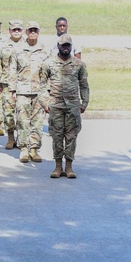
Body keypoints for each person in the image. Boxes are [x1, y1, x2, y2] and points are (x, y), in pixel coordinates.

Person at [42, 34, 90, 178]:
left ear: (71, 47)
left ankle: (69, 167)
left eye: (68, 45)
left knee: (71, 137)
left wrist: (84, 102)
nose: (66, 48)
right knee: (57, 136)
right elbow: (41, 85)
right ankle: (58, 167)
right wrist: (44, 102)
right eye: (63, 45)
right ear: (58, 46)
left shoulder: (79, 64)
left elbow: (84, 85)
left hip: (72, 105)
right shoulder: (48, 63)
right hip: (55, 105)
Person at [8, 21, 50, 163]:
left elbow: (50, 71)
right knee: (22, 120)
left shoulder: (45, 50)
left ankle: (34, 149)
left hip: (40, 91)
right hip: (22, 90)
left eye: (35, 30)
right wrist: (12, 89)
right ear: (26, 32)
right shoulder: (18, 49)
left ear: (38, 32)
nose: (33, 33)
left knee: (38, 121)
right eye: (30, 30)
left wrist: (49, 90)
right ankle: (24, 148)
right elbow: (12, 70)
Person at [0, 19, 24, 149]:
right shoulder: (3, 45)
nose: (16, 32)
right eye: (14, 30)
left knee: (22, 112)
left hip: (23, 83)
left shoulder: (27, 45)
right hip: (7, 83)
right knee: (8, 111)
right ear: (9, 31)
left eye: (18, 30)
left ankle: (21, 138)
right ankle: (10, 137)